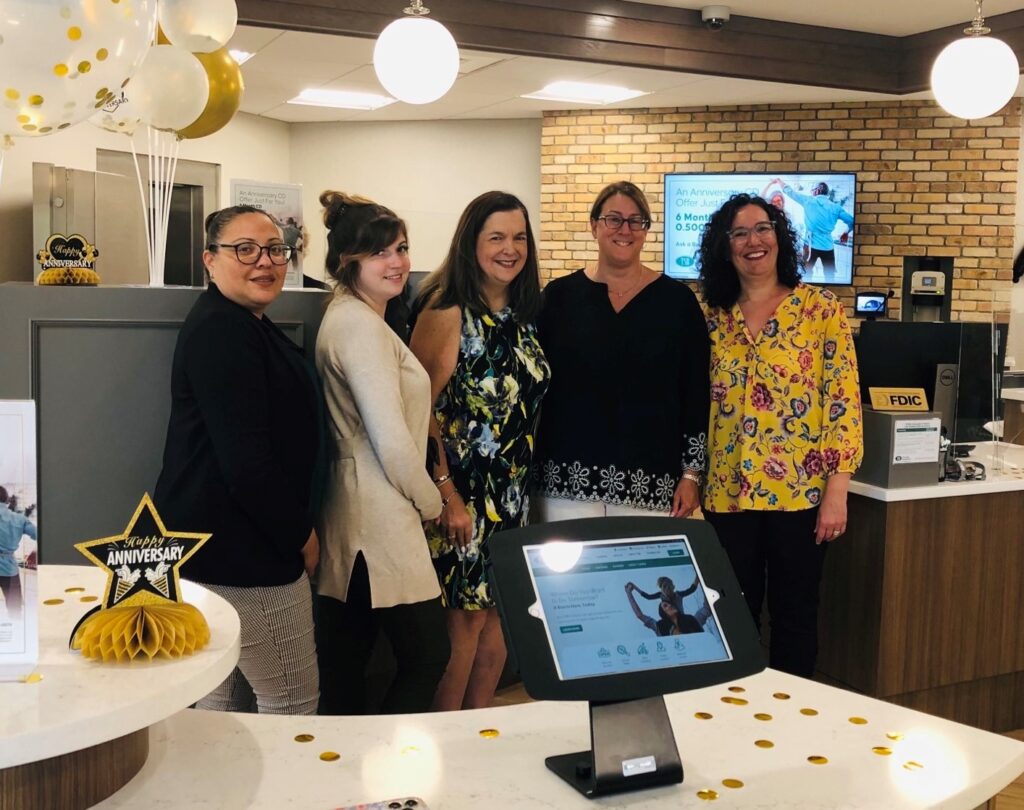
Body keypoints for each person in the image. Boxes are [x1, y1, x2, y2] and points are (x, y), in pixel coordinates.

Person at [154, 205, 321, 715]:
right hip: (241, 552)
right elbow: (247, 463)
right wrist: (301, 535)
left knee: (213, 703)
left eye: (275, 250)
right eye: (244, 250)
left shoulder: (243, 322)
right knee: (291, 700)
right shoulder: (223, 331)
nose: (264, 262)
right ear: (209, 259)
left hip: (213, 543)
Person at [698, 193, 863, 678]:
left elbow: (843, 403)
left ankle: (790, 729)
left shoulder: (820, 310)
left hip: (800, 497)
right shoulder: (711, 318)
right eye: (740, 233)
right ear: (725, 248)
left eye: (763, 228)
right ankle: (733, 719)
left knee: (795, 618)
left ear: (780, 235)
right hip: (727, 496)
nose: (754, 241)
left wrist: (838, 491)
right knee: (731, 617)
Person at [409, 191, 550, 711]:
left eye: (519, 237)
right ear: (471, 243)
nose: (510, 249)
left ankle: (477, 735)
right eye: (496, 237)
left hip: (510, 498)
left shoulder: (522, 314)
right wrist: (446, 493)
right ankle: (443, 747)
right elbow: (416, 410)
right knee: (463, 625)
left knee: (499, 618)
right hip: (461, 501)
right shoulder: (446, 310)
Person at [314, 191, 450, 715]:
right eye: (380, 254)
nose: (398, 263)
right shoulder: (358, 327)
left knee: (349, 665)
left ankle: (356, 774)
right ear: (348, 263)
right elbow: (392, 441)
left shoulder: (359, 318)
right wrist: (433, 503)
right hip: (379, 517)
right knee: (425, 656)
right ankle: (380, 772)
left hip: (365, 513)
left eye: (401, 249)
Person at [533, 181, 709, 520]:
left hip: (653, 486)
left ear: (645, 231)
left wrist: (691, 474)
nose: (624, 229)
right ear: (594, 225)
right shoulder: (558, 298)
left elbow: (696, 395)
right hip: (564, 486)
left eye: (636, 221)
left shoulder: (678, 303)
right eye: (613, 219)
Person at [777, 179, 853, 275]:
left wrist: (779, 182)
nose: (812, 193)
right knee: (829, 275)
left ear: (817, 190)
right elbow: (852, 221)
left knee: (806, 273)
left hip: (809, 246)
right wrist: (846, 232)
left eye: (813, 190)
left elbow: (790, 192)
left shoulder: (808, 200)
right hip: (828, 247)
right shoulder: (836, 207)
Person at [0, 486, 36, 619]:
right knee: (15, 611)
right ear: (7, 500)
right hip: (9, 569)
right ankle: (17, 635)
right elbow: (41, 535)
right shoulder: (19, 519)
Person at [624, 581, 702, 636]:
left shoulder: (689, 619)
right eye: (665, 606)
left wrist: (697, 578)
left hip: (684, 622)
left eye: (670, 604)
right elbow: (646, 599)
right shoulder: (661, 626)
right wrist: (632, 590)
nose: (669, 606)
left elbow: (691, 589)